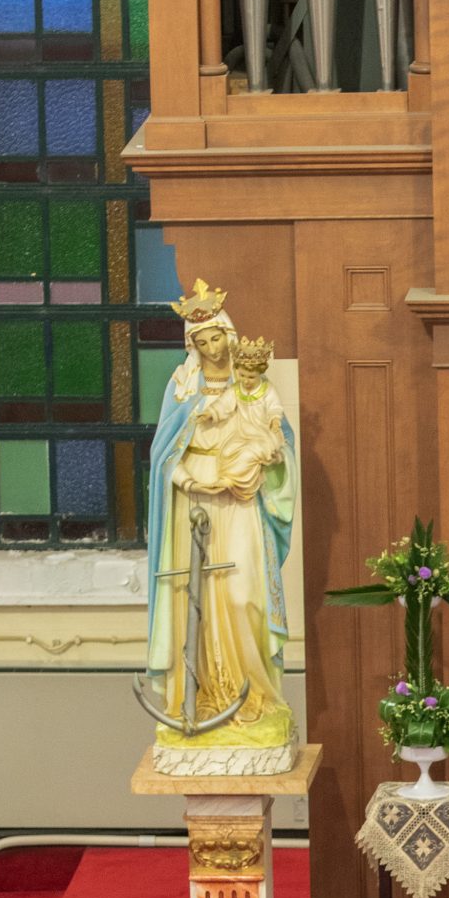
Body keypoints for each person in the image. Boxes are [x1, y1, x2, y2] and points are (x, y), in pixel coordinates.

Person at [143, 281, 297, 766]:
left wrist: (267, 460)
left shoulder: (252, 381)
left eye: (217, 337)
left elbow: (281, 439)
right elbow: (163, 452)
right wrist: (189, 479)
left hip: (241, 499)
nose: (212, 348)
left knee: (242, 595)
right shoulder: (182, 385)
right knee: (196, 601)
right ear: (192, 345)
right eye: (202, 340)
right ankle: (203, 695)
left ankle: (254, 696)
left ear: (229, 336)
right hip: (195, 503)